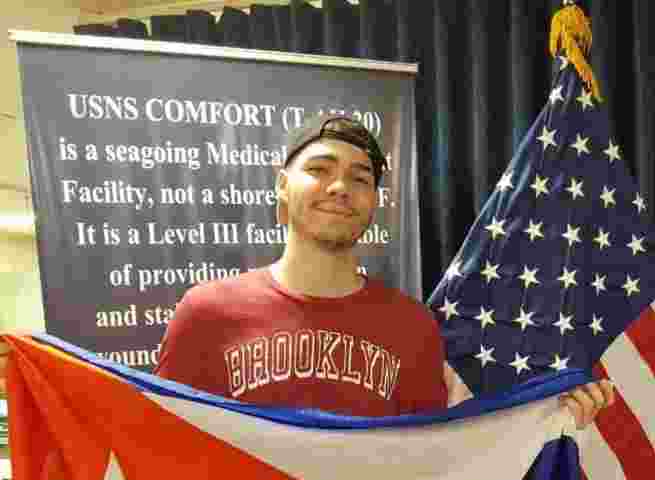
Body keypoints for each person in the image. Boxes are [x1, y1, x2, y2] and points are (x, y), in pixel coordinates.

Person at [0, 115, 612, 424]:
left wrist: (545, 423)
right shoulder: (207, 313)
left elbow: (442, 456)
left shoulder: (410, 327)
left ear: (375, 205)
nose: (340, 186)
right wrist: (44, 383)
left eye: (362, 178)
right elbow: (159, 438)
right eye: (320, 169)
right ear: (283, 187)